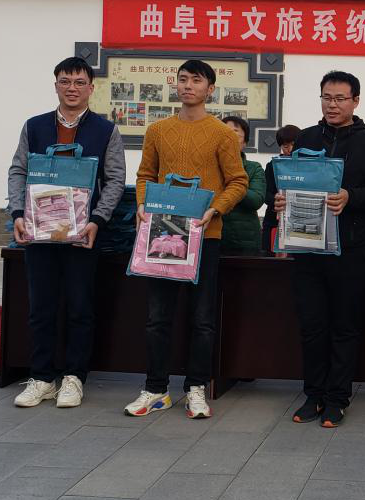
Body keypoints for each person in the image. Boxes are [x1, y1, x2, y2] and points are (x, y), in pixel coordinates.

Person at [126, 59, 248, 420]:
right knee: (157, 317)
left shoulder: (222, 134)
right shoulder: (157, 130)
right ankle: (155, 389)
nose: (188, 85)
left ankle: (196, 388)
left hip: (204, 235)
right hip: (162, 234)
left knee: (202, 318)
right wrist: (142, 205)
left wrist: (216, 209)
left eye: (196, 80)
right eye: (183, 79)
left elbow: (238, 181)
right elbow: (145, 175)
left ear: (210, 89)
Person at [7, 57, 126, 409]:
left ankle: (74, 377)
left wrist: (97, 220)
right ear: (56, 85)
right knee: (41, 307)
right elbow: (18, 170)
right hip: (39, 232)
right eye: (65, 81)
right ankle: (42, 378)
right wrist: (18, 213)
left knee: (79, 307)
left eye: (79, 82)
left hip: (82, 234)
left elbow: (115, 179)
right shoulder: (35, 126)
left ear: (91, 88)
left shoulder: (106, 131)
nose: (72, 88)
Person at [272, 72, 365, 427]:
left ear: (355, 101)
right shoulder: (306, 138)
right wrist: (281, 199)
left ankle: (337, 398)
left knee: (345, 326)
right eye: (326, 97)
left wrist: (351, 196)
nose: (332, 105)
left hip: (350, 249)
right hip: (308, 246)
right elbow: (289, 181)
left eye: (340, 98)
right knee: (312, 325)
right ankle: (313, 395)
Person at [219, 115, 268, 254]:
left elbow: (256, 200)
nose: (229, 137)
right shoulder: (208, 167)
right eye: (224, 132)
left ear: (245, 143)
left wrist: (234, 184)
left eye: (235, 132)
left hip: (244, 240)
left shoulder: (253, 168)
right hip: (212, 237)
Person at [260, 124, 300, 254]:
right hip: (274, 219)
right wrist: (275, 199)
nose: (290, 149)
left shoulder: (308, 165)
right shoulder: (272, 165)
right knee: (271, 256)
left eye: (293, 145)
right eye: (285, 146)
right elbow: (265, 193)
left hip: (298, 220)